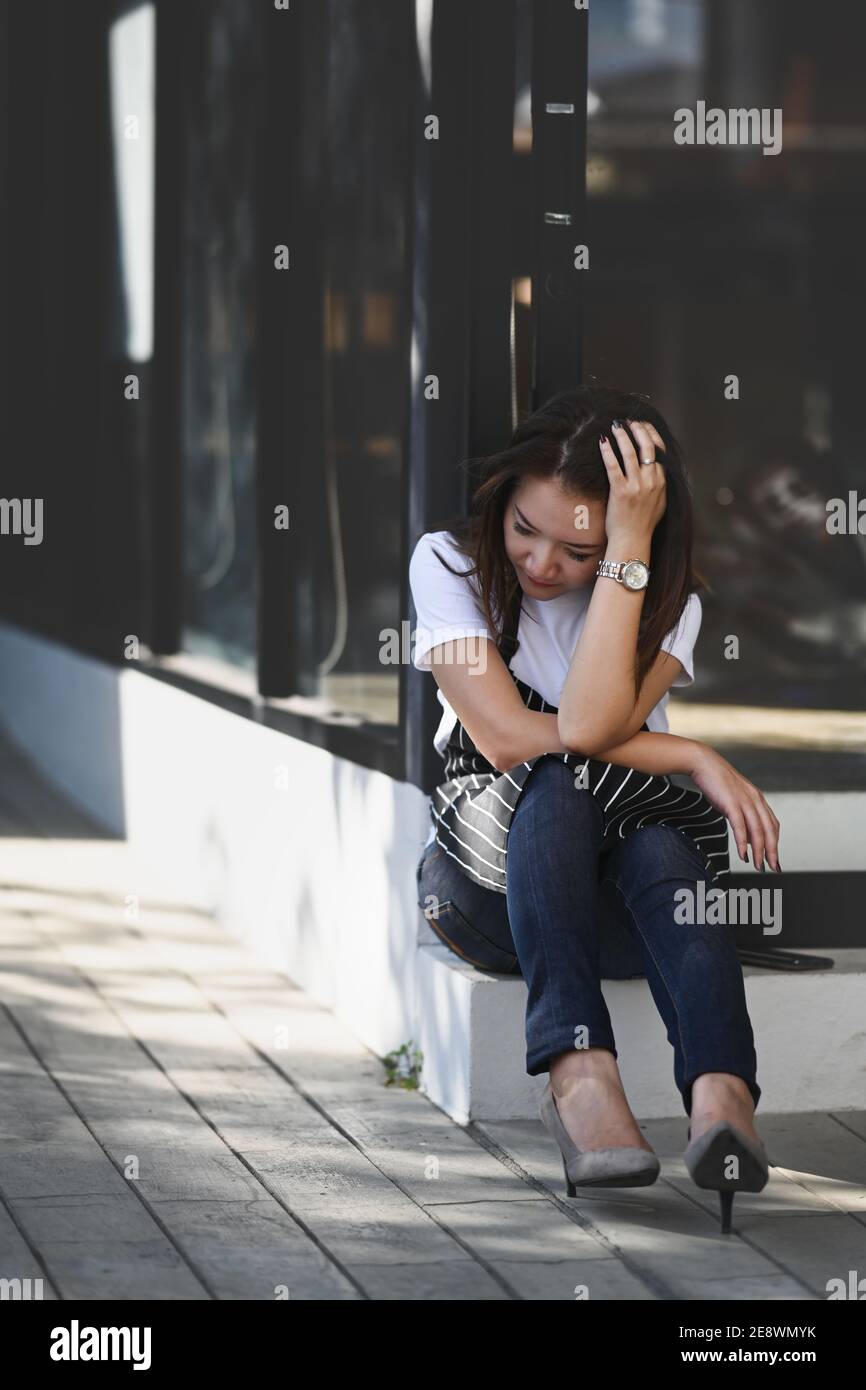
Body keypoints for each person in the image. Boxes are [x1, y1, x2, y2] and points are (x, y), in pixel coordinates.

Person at [409, 385, 777, 1233]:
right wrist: (690, 752)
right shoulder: (450, 563)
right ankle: (578, 1071)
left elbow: (584, 726)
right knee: (565, 781)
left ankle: (721, 1094)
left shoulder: (667, 603)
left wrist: (628, 553)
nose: (541, 565)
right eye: (524, 529)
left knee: (657, 849)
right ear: (501, 503)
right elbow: (507, 738)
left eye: (578, 549)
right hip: (488, 895)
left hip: (612, 908)